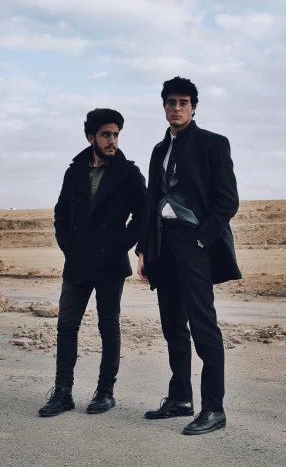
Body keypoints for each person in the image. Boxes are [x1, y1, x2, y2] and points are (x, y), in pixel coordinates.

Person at [137, 77, 241, 435]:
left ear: (194, 107)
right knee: (172, 327)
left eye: (183, 102)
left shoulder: (213, 144)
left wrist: (201, 241)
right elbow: (151, 202)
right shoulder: (157, 150)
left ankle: (214, 408)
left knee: (203, 326)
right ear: (164, 107)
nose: (176, 108)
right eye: (170, 102)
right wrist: (144, 250)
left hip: (194, 245)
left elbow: (228, 200)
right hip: (162, 247)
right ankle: (180, 397)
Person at [40, 108, 148, 417]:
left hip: (110, 263)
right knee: (66, 326)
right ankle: (62, 393)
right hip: (77, 262)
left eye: (115, 135)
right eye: (105, 134)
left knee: (108, 326)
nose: (112, 140)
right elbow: (61, 213)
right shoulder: (74, 170)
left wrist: (120, 245)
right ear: (91, 137)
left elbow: (143, 216)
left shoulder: (128, 173)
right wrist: (67, 246)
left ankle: (105, 392)